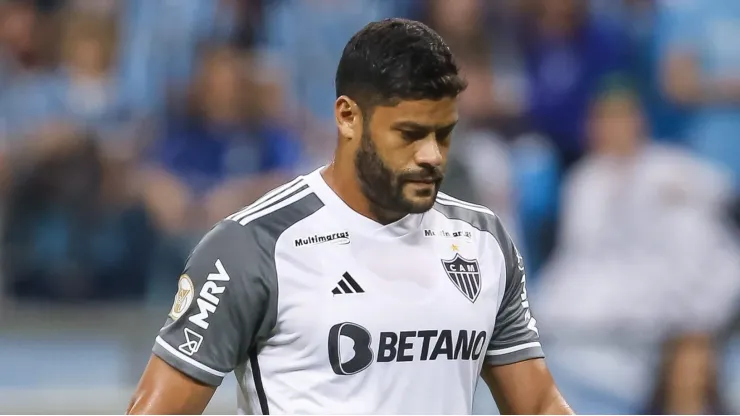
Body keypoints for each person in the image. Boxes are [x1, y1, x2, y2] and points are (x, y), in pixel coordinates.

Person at [127, 18, 572, 415]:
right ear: (347, 118)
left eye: (444, 134)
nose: (432, 155)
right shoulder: (251, 247)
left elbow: (538, 405)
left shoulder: (484, 242)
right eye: (410, 134)